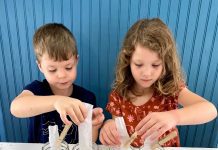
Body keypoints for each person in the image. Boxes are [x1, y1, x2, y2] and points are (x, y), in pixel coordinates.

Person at [99, 18, 217, 148]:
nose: (147, 73)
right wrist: (108, 125)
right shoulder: (119, 94)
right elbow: (118, 130)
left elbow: (210, 110)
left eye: (155, 65)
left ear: (166, 63)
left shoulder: (171, 88)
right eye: (139, 64)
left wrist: (174, 117)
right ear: (128, 61)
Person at [10, 23, 104, 143]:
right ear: (40, 67)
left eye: (68, 67)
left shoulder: (86, 98)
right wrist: (57, 101)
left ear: (76, 61)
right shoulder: (37, 90)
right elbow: (16, 107)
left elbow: (88, 142)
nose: (62, 75)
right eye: (52, 70)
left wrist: (93, 126)